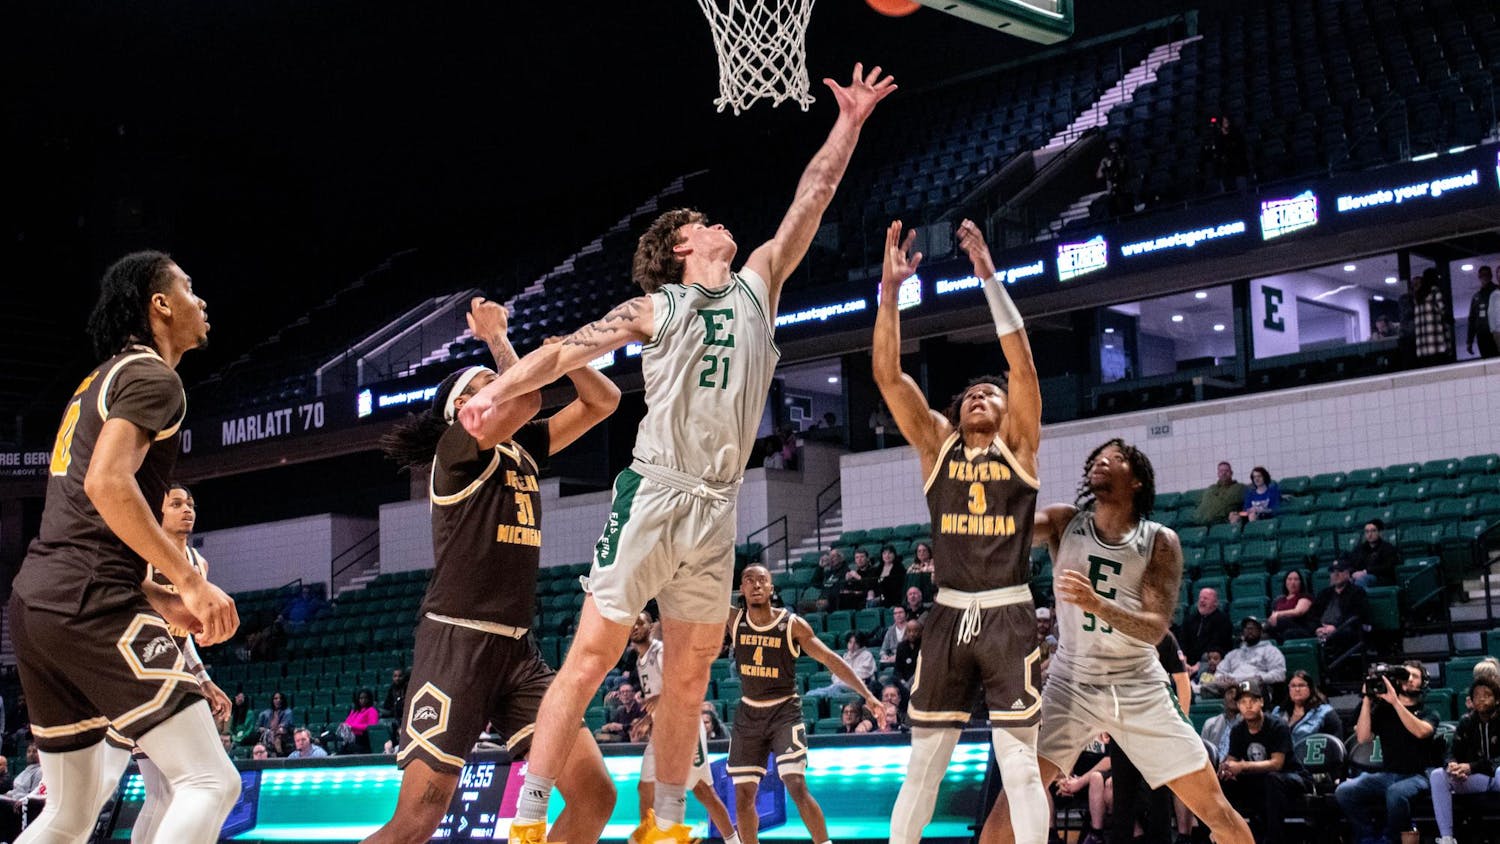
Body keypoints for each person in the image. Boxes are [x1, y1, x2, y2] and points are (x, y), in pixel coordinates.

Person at [460, 69, 896, 844]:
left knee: (691, 675)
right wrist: (500, 390)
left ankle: (664, 824)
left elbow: (815, 193)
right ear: (683, 245)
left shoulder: (759, 284)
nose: (722, 223)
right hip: (656, 492)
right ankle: (525, 821)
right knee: (591, 658)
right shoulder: (657, 305)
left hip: (718, 506)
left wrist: (851, 121)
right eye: (704, 220)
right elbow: (565, 352)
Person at [365, 297, 620, 844]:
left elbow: (605, 401)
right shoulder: (457, 449)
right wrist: (498, 339)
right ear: (466, 407)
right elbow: (526, 395)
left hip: (518, 653)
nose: (504, 381)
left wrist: (569, 357)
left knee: (596, 795)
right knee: (417, 821)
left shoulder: (521, 449)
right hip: (458, 643)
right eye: (490, 383)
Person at [7, 252, 241, 844]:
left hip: (38, 601)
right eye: (188, 287)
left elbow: (83, 525)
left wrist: (159, 597)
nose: (200, 300)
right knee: (211, 782)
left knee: (68, 814)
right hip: (87, 598)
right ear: (159, 304)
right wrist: (190, 580)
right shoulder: (155, 377)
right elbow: (106, 484)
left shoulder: (98, 380)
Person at [872, 219, 1049, 844]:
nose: (979, 396)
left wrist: (989, 278)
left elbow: (1022, 365)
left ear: (1006, 411)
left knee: (1019, 764)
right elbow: (888, 376)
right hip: (947, 615)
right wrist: (890, 293)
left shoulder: (1020, 446)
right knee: (925, 764)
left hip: (1007, 612)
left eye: (989, 394)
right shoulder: (936, 446)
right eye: (970, 393)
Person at [989, 438, 1253, 844]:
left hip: (1138, 684)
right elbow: (1006, 527)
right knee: (1010, 803)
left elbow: (1154, 628)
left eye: (1115, 458)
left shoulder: (1158, 540)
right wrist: (994, 474)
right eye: (1098, 457)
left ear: (1136, 481)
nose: (1102, 461)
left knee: (1217, 812)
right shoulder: (1064, 521)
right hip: (1071, 682)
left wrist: (1097, 604)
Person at [727, 564, 881, 844]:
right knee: (743, 795)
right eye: (749, 580)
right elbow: (697, 600)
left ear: (771, 588)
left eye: (762, 580)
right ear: (742, 589)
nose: (756, 585)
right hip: (749, 714)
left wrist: (868, 695)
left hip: (784, 712)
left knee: (795, 783)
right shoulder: (733, 620)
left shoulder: (792, 624)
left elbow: (830, 659)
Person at [122, 483, 236, 844]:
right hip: (135, 670)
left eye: (190, 504)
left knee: (167, 792)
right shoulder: (141, 555)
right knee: (164, 792)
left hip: (169, 672)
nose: (187, 510)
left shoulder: (199, 564)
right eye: (176, 504)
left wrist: (204, 679)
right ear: (158, 513)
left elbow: (181, 635)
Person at [628, 614, 741, 844]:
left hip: (685, 727)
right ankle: (650, 839)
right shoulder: (640, 661)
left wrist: (659, 699)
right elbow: (657, 700)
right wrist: (647, 719)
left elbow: (682, 684)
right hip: (662, 731)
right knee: (645, 788)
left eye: (641, 622)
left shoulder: (661, 652)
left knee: (703, 791)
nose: (636, 627)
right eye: (632, 623)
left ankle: (733, 841)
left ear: (650, 626)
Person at [1334, 662, 1440, 843]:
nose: (1409, 679)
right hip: (1388, 774)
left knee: (1395, 793)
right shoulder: (1384, 710)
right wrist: (1367, 699)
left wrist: (1396, 702)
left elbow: (1421, 732)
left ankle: (1390, 839)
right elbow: (1363, 738)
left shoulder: (1428, 712)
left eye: (1415, 676)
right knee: (1344, 791)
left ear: (1423, 683)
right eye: (1405, 675)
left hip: (1419, 775)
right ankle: (1367, 835)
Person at [1108, 632, 1192, 844]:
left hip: (1157, 726)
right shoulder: (1116, 634)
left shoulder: (1162, 635)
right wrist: (1104, 719)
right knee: (1122, 800)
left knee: (1159, 798)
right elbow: (1104, 681)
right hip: (1123, 726)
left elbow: (1182, 680)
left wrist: (1182, 723)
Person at [1218, 678, 1308, 844]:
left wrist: (1242, 766)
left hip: (1289, 777)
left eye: (1252, 701)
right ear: (1238, 706)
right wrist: (1226, 769)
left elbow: (1276, 764)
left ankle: (1274, 839)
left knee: (1272, 779)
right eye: (1243, 702)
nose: (1248, 706)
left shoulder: (1277, 726)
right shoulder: (1237, 730)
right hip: (1258, 781)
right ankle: (1227, 837)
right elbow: (1232, 761)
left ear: (1261, 702)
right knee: (1223, 783)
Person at [1429, 675, 1500, 844]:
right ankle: (1447, 838)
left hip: (1496, 776)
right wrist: (1452, 765)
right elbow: (1452, 751)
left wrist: (1471, 767)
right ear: (1471, 700)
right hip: (1479, 778)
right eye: (1477, 695)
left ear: (1497, 700)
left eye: (1487, 695)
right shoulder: (1466, 722)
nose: (1481, 699)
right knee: (1438, 775)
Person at [1199, 617, 1286, 698]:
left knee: (1250, 685)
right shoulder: (1234, 653)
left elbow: (1280, 674)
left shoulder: (1271, 650)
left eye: (1253, 628)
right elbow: (1220, 672)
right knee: (1206, 687)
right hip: (1230, 685)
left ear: (1260, 631)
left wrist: (1260, 678)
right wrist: (1223, 678)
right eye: (1247, 628)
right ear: (1243, 632)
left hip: (1254, 685)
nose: (1249, 631)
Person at [1054, 735, 1112, 844]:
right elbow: (1069, 755)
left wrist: (1079, 783)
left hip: (1099, 781)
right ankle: (1051, 835)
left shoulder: (1109, 732)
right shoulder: (1078, 730)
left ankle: (1096, 835)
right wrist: (1066, 781)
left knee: (1096, 778)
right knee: (1042, 782)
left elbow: (1110, 760)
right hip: (1076, 780)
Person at [1308, 557, 1370, 660]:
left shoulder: (1357, 592)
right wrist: (1317, 628)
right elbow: (1312, 614)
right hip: (1322, 629)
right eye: (1333, 572)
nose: (1335, 574)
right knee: (1293, 633)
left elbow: (1356, 615)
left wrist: (1335, 627)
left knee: (1341, 635)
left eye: (1339, 571)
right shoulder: (1324, 593)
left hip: (1345, 629)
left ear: (1347, 573)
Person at [1270, 670, 1343, 745]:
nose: (1297, 689)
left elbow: (1335, 744)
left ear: (1310, 688)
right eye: (1293, 686)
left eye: (1301, 685)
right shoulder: (1278, 712)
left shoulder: (1324, 712)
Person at [1402, 268, 1455, 366]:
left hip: (1422, 347)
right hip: (1436, 343)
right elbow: (1443, 311)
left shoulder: (1417, 296)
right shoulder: (1434, 291)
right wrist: (1450, 320)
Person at [804, 633, 875, 698]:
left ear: (861, 644)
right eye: (850, 642)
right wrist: (840, 679)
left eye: (856, 643)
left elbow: (862, 674)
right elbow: (837, 673)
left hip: (859, 688)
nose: (852, 646)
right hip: (841, 685)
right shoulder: (846, 656)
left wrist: (844, 677)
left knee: (829, 691)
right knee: (811, 693)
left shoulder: (867, 655)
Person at [1179, 588, 1233, 672]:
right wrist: (1184, 662)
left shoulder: (1223, 620)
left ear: (1215, 603)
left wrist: (1197, 666)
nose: (1201, 601)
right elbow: (1183, 642)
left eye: (1205, 598)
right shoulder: (1189, 619)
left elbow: (1216, 647)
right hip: (1187, 662)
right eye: (1200, 598)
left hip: (1208, 662)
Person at [1264, 570, 1315, 642]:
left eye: (1296, 579)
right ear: (1285, 582)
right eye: (1289, 579)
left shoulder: (1305, 596)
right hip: (1279, 629)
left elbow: (1298, 612)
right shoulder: (1279, 600)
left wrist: (1278, 614)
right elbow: (1272, 618)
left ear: (1301, 582)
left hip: (1299, 627)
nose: (1293, 582)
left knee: (1282, 622)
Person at [1350, 519, 1401, 588]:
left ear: (1379, 533)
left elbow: (1388, 567)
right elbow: (1352, 563)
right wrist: (1354, 573)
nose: (1370, 534)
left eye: (1373, 531)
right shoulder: (1360, 548)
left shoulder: (1388, 548)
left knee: (1361, 579)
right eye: (1367, 531)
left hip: (1381, 578)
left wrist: (1366, 572)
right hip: (1361, 576)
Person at [1201, 685, 1242, 764]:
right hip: (1212, 766)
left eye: (1237, 694)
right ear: (1224, 698)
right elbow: (1203, 752)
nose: (1233, 697)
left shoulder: (1246, 724)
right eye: (1230, 693)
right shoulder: (1210, 724)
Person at [1096, 137, 1136, 217]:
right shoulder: (1106, 160)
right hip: (1112, 191)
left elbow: (1128, 172)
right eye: (1111, 149)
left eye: (1115, 148)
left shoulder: (1124, 158)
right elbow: (1099, 175)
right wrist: (1104, 167)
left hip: (1124, 189)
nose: (1114, 151)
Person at [1466, 264, 1499, 359]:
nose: (1484, 277)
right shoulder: (1476, 297)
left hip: (1496, 334)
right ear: (1479, 277)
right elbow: (1472, 320)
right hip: (1482, 336)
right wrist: (1469, 341)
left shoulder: (1497, 292)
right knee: (1487, 360)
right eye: (1482, 275)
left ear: (1491, 276)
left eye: (1486, 275)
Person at [257, 691, 297, 756]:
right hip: (268, 735)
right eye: (275, 698)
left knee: (279, 735)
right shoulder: (266, 713)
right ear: (272, 700)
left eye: (280, 698)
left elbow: (285, 725)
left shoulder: (288, 712)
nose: (278, 700)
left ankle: (280, 754)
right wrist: (261, 729)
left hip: (284, 735)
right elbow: (257, 727)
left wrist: (276, 731)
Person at [343, 689, 379, 754]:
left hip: (363, 740)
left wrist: (353, 726)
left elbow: (372, 727)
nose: (363, 700)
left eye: (365, 698)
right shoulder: (354, 711)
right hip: (351, 738)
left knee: (346, 747)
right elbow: (346, 723)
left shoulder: (372, 711)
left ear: (369, 699)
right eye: (361, 698)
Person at [893, 619, 921, 687]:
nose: (912, 634)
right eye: (909, 631)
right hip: (903, 682)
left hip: (918, 682)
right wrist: (902, 681)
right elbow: (897, 669)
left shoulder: (924, 646)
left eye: (915, 631)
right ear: (906, 632)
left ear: (920, 632)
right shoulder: (901, 646)